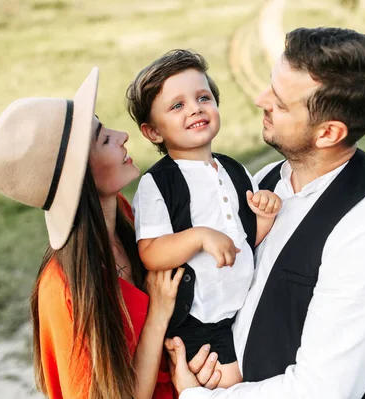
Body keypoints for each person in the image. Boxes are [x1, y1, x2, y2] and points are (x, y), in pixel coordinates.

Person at [166, 27, 365, 399]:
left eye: (280, 103)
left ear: (329, 133)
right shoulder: (268, 178)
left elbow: (321, 390)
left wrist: (197, 396)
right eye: (271, 85)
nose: (259, 99)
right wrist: (214, 359)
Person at [0, 67, 187, 399]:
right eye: (104, 138)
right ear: (80, 177)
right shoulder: (63, 290)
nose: (122, 135)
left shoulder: (126, 215)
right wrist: (158, 313)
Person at [125, 50, 282, 388]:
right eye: (177, 105)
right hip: (198, 317)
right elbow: (150, 252)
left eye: (203, 97)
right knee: (230, 382)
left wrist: (265, 213)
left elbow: (244, 237)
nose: (195, 108)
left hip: (244, 308)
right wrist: (198, 236)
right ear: (153, 132)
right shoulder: (160, 182)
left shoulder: (234, 170)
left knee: (266, 373)